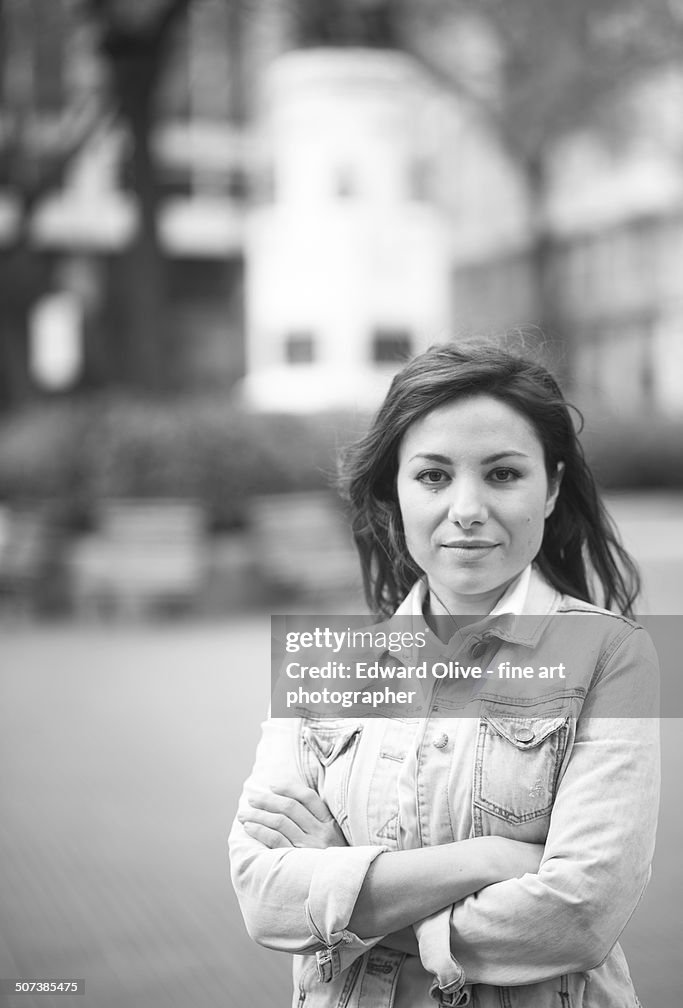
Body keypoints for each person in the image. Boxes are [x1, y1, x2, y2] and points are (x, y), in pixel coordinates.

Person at [229, 340, 660, 1008]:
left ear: (549, 488)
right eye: (432, 476)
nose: (465, 508)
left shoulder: (610, 655)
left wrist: (345, 891)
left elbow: (579, 917)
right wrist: (490, 862)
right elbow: (263, 898)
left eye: (502, 474)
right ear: (393, 494)